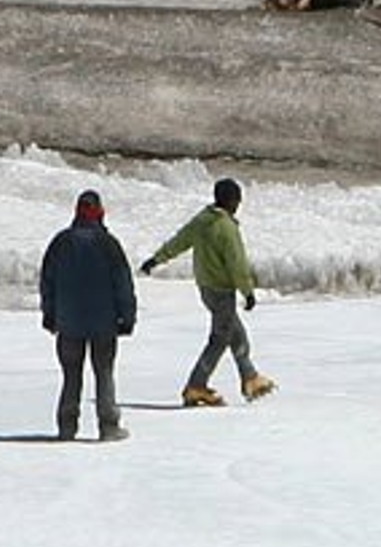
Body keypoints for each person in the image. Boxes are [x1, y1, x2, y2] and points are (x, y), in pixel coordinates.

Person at [140, 177, 275, 407]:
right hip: (222, 291)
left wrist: (156, 259)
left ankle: (250, 378)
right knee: (220, 340)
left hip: (206, 288)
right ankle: (196, 386)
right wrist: (248, 292)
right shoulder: (226, 228)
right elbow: (237, 263)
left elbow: (179, 241)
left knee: (237, 335)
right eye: (238, 200)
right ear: (231, 201)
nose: (239, 205)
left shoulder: (202, 221)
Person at [39, 189, 137, 442]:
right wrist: (127, 317)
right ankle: (108, 426)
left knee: (71, 375)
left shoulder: (61, 242)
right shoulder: (108, 244)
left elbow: (47, 282)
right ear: (100, 213)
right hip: (103, 323)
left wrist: (50, 314)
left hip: (68, 322)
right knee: (103, 372)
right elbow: (122, 283)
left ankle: (67, 426)